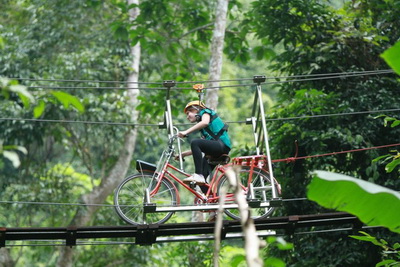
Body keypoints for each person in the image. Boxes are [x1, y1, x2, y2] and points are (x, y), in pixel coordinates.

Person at [177, 100, 231, 185]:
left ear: (196, 109)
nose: (187, 117)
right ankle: (211, 197)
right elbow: (200, 148)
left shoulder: (205, 112)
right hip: (216, 149)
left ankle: (198, 174)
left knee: (195, 142)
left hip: (221, 145)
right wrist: (183, 154)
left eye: (188, 113)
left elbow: (205, 122)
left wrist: (186, 132)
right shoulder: (204, 130)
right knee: (199, 183)